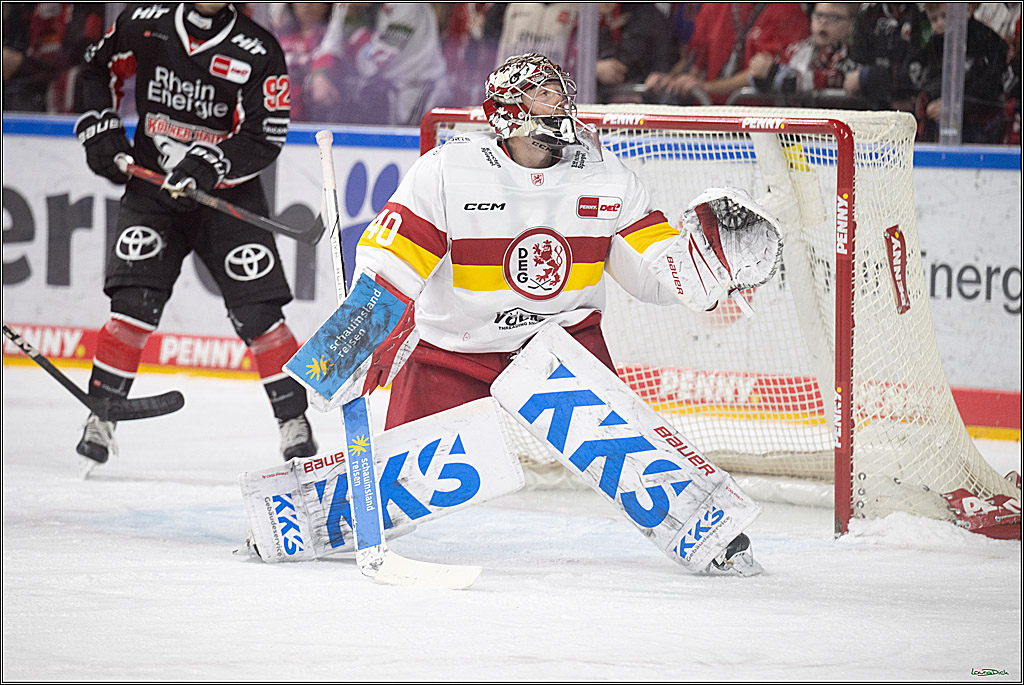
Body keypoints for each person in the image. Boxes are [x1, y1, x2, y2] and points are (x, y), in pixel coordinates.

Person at [349, 53, 783, 575]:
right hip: (455, 349)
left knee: (622, 447)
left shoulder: (604, 175)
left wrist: (705, 267)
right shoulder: (449, 171)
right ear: (507, 110)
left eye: (560, 90)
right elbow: (390, 264)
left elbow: (651, 270)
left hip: (560, 342)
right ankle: (305, 520)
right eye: (543, 92)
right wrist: (357, 338)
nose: (560, 102)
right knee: (401, 481)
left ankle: (715, 536)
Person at [72, 2, 318, 466]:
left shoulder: (258, 49)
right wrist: (101, 129)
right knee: (131, 309)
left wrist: (208, 162)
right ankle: (102, 414)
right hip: (153, 190)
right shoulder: (144, 24)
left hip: (225, 198)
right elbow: (97, 69)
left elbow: (266, 132)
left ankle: (292, 419)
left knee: (259, 314)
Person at [644, 2, 809, 105]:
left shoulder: (787, 8)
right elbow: (696, 61)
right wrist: (670, 81)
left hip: (757, 124)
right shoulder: (716, 5)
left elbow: (762, 73)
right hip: (710, 117)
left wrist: (706, 87)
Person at [912, 2, 1011, 143]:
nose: (940, 24)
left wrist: (958, 105)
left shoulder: (987, 40)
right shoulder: (934, 44)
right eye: (934, 19)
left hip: (982, 121)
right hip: (945, 119)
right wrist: (934, 101)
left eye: (945, 16)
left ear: (967, 11)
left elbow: (991, 83)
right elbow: (930, 77)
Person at [2, 3, 105, 113]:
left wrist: (23, 63)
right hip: (34, 73)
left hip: (65, 76)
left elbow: (84, 51)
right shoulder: (29, 8)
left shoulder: (89, 8)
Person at [751, 3, 863, 100]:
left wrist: (774, 74)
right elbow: (778, 69)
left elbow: (830, 79)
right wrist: (762, 73)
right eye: (819, 15)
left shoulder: (850, 54)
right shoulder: (798, 49)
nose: (823, 22)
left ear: (850, 25)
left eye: (834, 17)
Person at [847, 3, 929, 111]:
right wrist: (888, 102)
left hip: (918, 109)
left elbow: (917, 71)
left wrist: (867, 77)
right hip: (875, 108)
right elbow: (853, 76)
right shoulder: (868, 11)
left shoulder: (923, 12)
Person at [595, 3, 679, 104]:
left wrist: (660, 75)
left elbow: (664, 60)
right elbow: (574, 61)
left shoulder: (649, 16)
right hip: (599, 100)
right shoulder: (588, 20)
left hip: (644, 99)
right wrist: (594, 69)